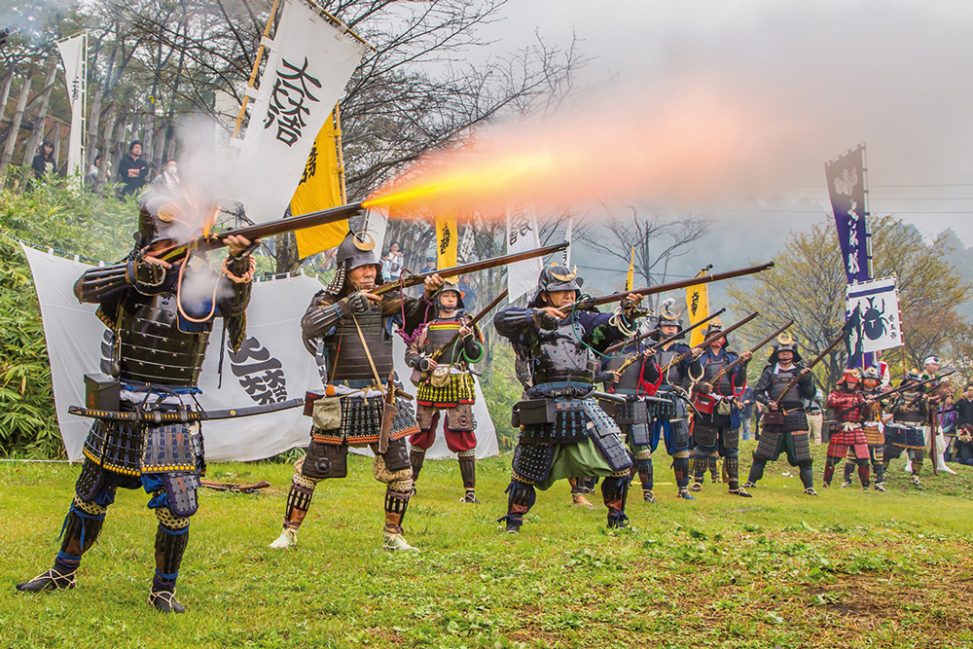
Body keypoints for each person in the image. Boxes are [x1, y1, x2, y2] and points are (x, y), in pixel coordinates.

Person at [16, 195, 256, 613]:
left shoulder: (198, 282)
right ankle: (63, 570)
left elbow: (233, 302)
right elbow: (84, 287)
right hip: (124, 400)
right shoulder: (130, 272)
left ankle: (163, 590)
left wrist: (237, 263)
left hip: (174, 408)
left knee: (179, 506)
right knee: (89, 494)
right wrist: (133, 271)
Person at [269, 231, 440, 552]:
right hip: (340, 397)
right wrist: (346, 306)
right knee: (312, 469)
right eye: (361, 269)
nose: (369, 274)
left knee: (401, 471)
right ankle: (289, 532)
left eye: (372, 268)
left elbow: (415, 315)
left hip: (383, 398)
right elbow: (309, 326)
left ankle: (393, 535)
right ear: (345, 270)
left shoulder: (386, 299)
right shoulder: (328, 300)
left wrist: (429, 296)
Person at [494, 263, 642, 532]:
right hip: (545, 402)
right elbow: (501, 320)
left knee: (620, 463)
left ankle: (617, 521)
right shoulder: (529, 325)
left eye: (572, 291)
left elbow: (609, 327)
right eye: (561, 291)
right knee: (524, 472)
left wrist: (627, 315)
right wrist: (535, 316)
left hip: (584, 401)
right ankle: (513, 524)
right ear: (544, 294)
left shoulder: (584, 321)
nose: (568, 297)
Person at [406, 281, 485, 503]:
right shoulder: (427, 327)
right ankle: (409, 484)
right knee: (421, 431)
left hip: (458, 381)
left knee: (462, 432)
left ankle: (470, 492)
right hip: (430, 381)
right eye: (446, 295)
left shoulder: (467, 323)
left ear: (458, 299)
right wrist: (422, 363)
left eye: (453, 296)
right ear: (438, 299)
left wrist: (467, 338)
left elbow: (475, 354)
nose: (450, 299)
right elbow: (411, 353)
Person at [745, 333, 817, 495]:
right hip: (775, 417)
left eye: (788, 352)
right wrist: (768, 402)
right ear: (777, 354)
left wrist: (807, 379)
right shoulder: (770, 371)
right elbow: (758, 392)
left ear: (793, 354)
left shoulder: (801, 372)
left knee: (803, 456)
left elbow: (809, 394)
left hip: (796, 416)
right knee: (762, 454)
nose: (785, 355)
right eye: (782, 352)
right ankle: (751, 481)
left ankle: (809, 487)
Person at [688, 319, 753, 496]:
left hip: (727, 405)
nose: (716, 338)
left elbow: (738, 381)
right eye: (713, 335)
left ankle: (733, 484)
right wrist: (701, 386)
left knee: (731, 445)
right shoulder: (700, 357)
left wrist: (744, 365)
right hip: (706, 405)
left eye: (720, 335)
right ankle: (698, 481)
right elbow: (693, 378)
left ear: (724, 339)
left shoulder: (731, 358)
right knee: (703, 444)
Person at [841, 366, 887, 491]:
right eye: (868, 379)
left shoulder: (881, 395)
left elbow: (886, 406)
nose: (871, 382)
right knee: (852, 456)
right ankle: (847, 480)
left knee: (877, 458)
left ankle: (879, 482)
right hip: (860, 426)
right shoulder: (857, 394)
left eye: (873, 380)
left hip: (875, 429)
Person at [823, 369, 871, 489]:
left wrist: (867, 405)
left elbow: (865, 415)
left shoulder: (859, 395)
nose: (851, 385)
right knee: (832, 459)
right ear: (844, 382)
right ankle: (826, 483)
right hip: (841, 427)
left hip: (856, 427)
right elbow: (829, 403)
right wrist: (846, 400)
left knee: (863, 459)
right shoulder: (836, 393)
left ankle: (865, 485)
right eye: (849, 382)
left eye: (853, 383)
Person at [885, 370, 929, 489]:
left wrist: (924, 403)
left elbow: (925, 414)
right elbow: (888, 409)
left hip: (915, 427)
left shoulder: (923, 397)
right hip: (900, 426)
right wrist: (899, 408)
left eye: (916, 382)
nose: (913, 384)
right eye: (911, 381)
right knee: (890, 452)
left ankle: (916, 477)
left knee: (918, 455)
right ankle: (880, 474)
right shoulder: (899, 395)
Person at [914, 356, 956, 475]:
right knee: (918, 438)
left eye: (936, 365)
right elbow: (918, 395)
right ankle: (909, 463)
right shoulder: (921, 378)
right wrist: (931, 398)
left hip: (932, 412)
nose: (935, 367)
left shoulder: (937, 379)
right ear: (926, 365)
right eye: (932, 364)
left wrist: (941, 396)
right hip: (921, 412)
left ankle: (941, 464)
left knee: (938, 437)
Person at [952, 384, 973, 466]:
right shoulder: (963, 401)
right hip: (962, 425)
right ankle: (956, 458)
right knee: (959, 441)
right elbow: (954, 406)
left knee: (969, 442)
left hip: (971, 426)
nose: (971, 393)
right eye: (969, 391)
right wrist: (960, 399)